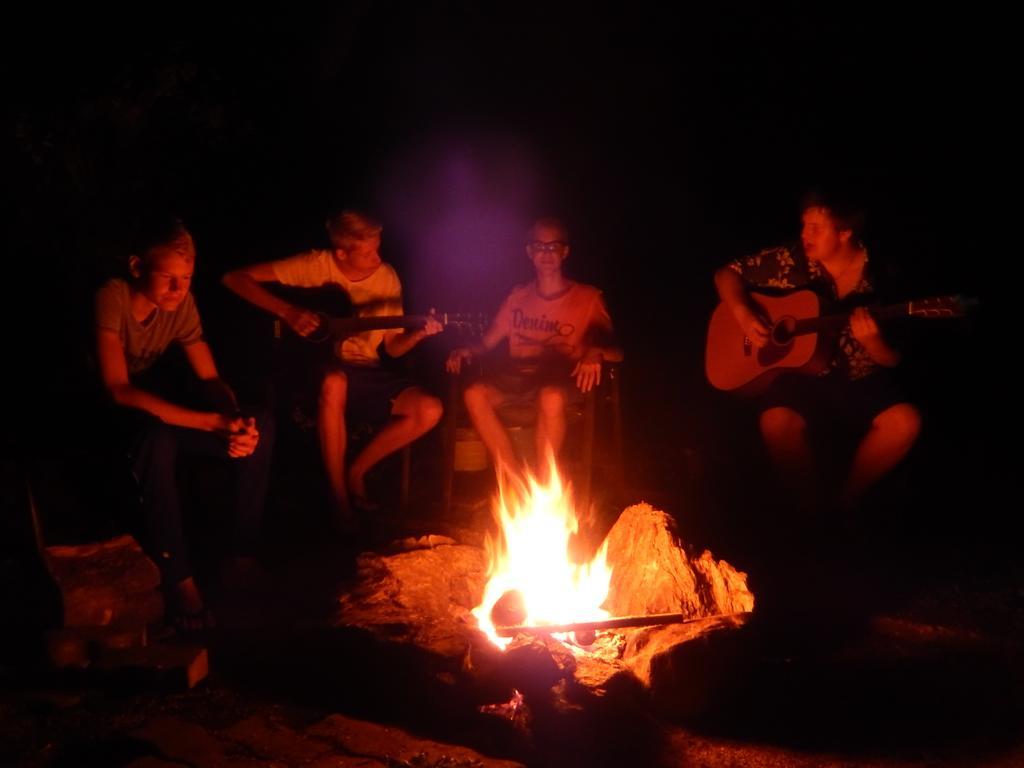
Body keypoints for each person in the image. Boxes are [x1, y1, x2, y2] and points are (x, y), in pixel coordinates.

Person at [94, 215, 274, 632]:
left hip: (149, 418)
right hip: (100, 421)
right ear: (137, 267)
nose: (179, 289)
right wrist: (210, 422)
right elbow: (118, 390)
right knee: (156, 439)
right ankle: (180, 583)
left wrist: (234, 420)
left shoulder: (181, 305)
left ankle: (240, 558)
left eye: (187, 278)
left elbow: (210, 378)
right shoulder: (112, 296)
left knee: (259, 424)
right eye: (168, 278)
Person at [222, 210, 443, 530]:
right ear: (342, 253)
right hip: (315, 371)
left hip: (366, 372)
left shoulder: (387, 276)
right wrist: (288, 311)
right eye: (368, 253)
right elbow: (234, 278)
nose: (377, 258)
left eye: (378, 248)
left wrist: (420, 333)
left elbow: (393, 347)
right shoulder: (316, 265)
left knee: (430, 408)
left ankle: (356, 471)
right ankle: (340, 502)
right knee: (335, 380)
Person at [713, 190, 921, 514]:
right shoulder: (793, 261)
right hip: (803, 374)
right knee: (776, 421)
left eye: (816, 228)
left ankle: (845, 503)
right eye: (804, 225)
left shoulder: (884, 276)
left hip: (858, 378)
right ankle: (808, 511)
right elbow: (725, 274)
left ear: (845, 232)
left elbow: (893, 358)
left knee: (905, 422)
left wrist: (873, 342)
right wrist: (744, 312)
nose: (804, 235)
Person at [446, 217, 623, 479]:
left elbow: (617, 352)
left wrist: (595, 353)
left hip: (561, 380)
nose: (547, 253)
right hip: (517, 379)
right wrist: (467, 350)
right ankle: (517, 482)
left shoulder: (588, 297)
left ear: (565, 252)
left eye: (553, 247)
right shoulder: (518, 296)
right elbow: (487, 342)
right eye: (540, 247)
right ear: (530, 252)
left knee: (549, 395)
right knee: (474, 393)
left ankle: (542, 481)